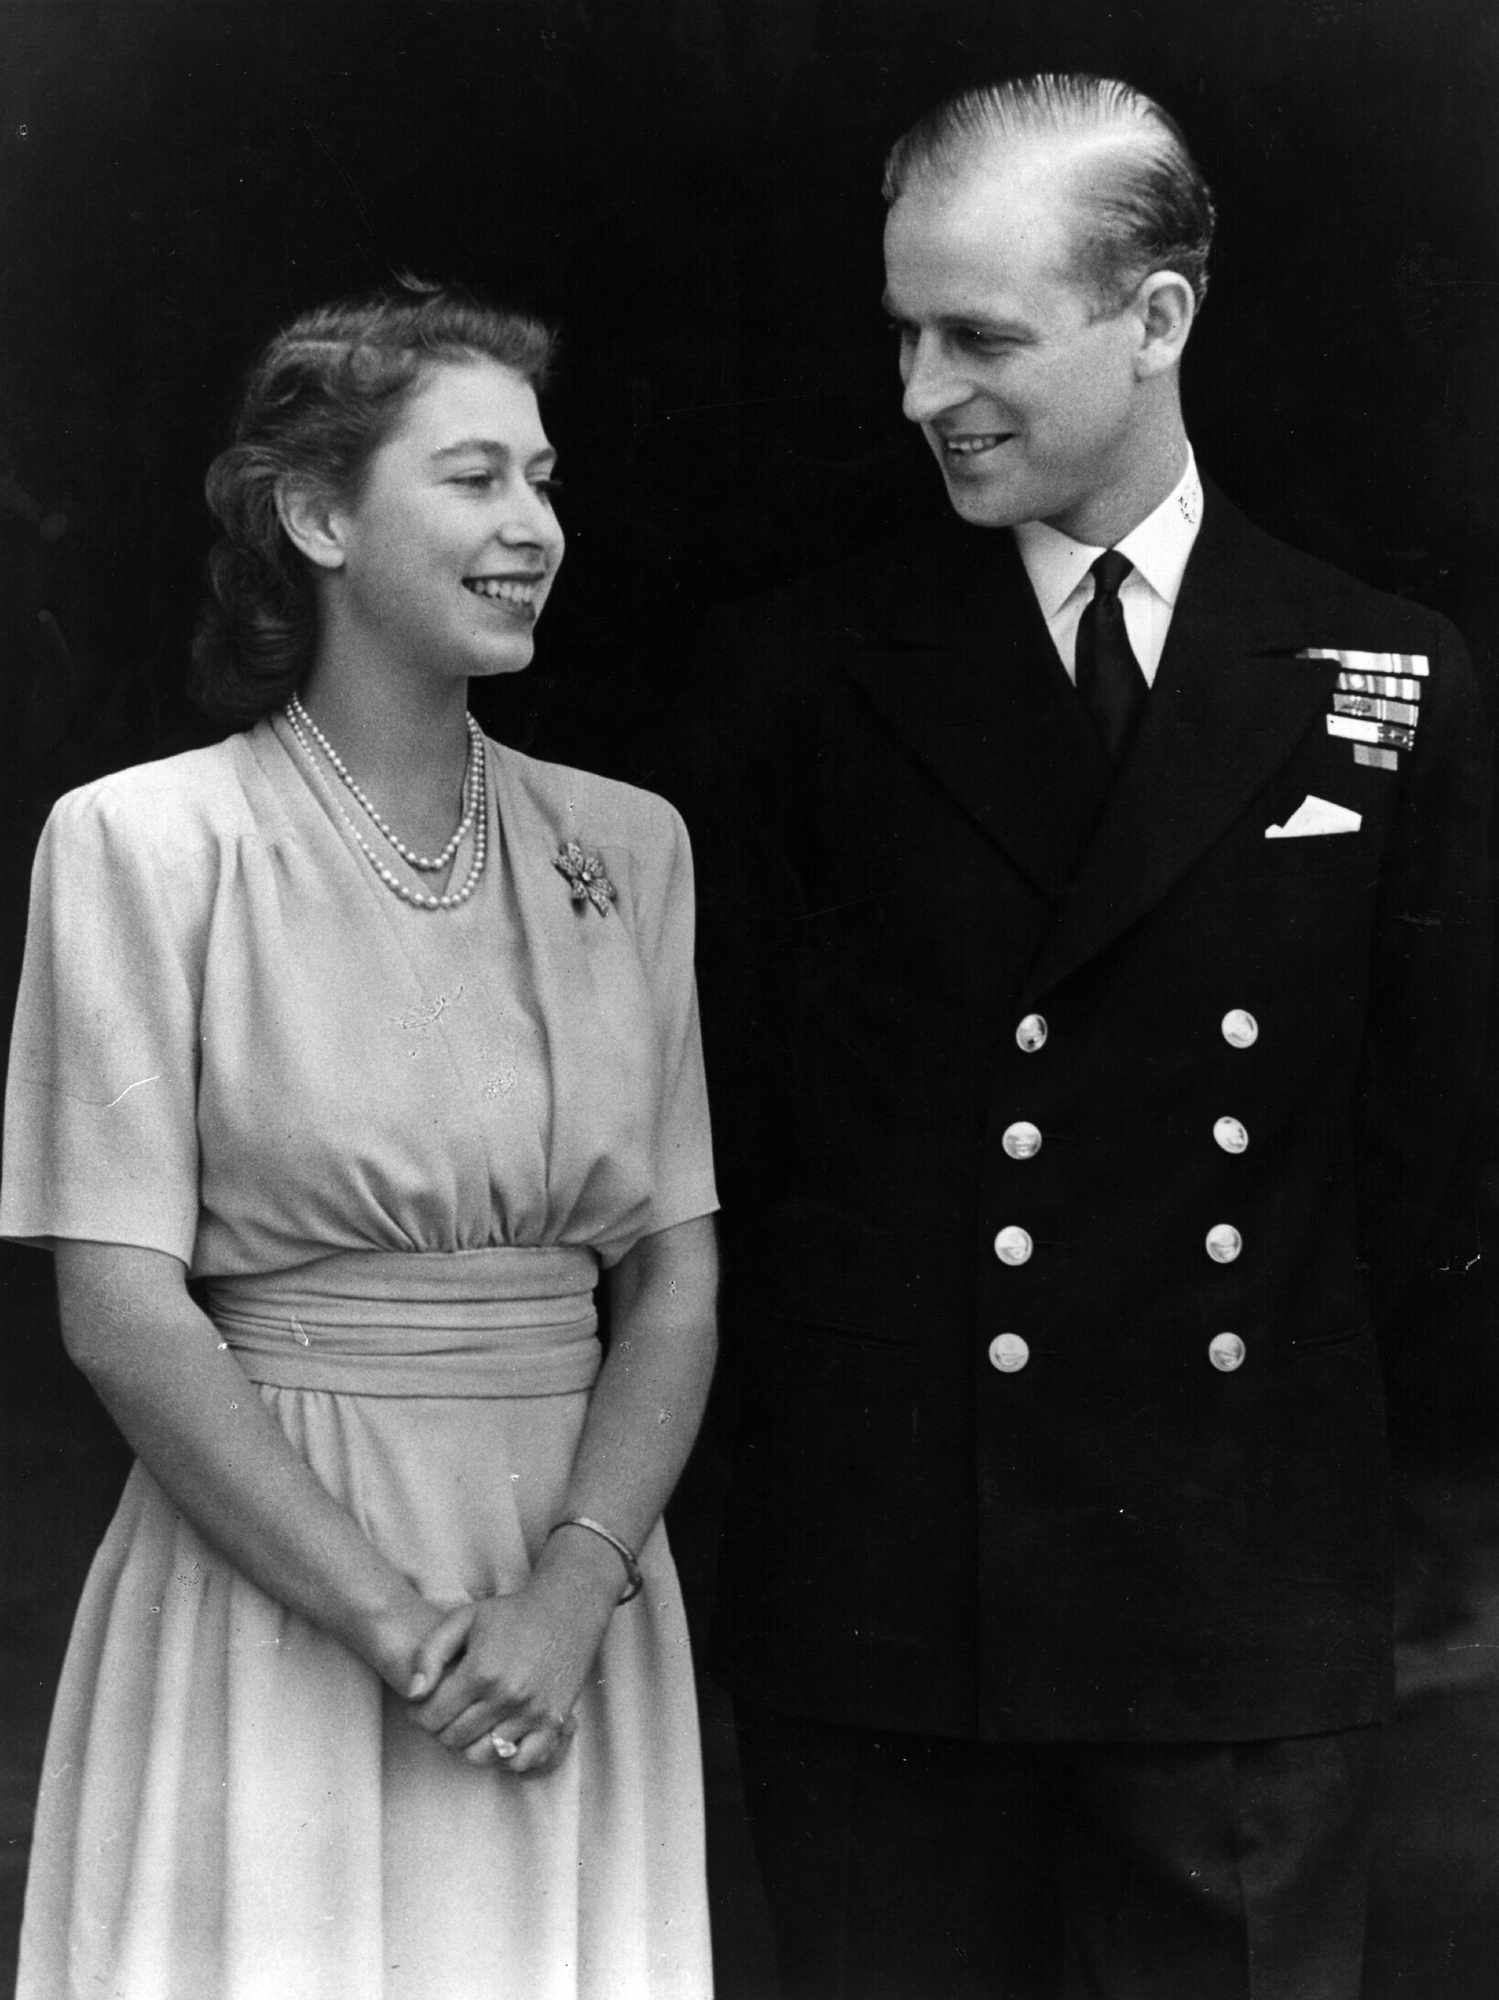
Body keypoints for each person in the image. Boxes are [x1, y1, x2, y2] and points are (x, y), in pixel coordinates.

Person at [676, 73, 1492, 2000]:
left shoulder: (1387, 677)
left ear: (1160, 319)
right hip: (891, 1607)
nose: (920, 391)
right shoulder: (798, 677)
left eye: (981, 337)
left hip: (1231, 1609)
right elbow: (738, 1133)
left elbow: (1438, 1159)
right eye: (903, 333)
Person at [1, 282, 719, 2000]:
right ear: (319, 517)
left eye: (544, 479)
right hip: (277, 1582)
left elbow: (677, 1280)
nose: (534, 527)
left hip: (572, 1600)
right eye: (474, 479)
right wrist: (397, 1631)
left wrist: (564, 1601)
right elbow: (120, 1307)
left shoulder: (628, 849)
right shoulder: (146, 846)